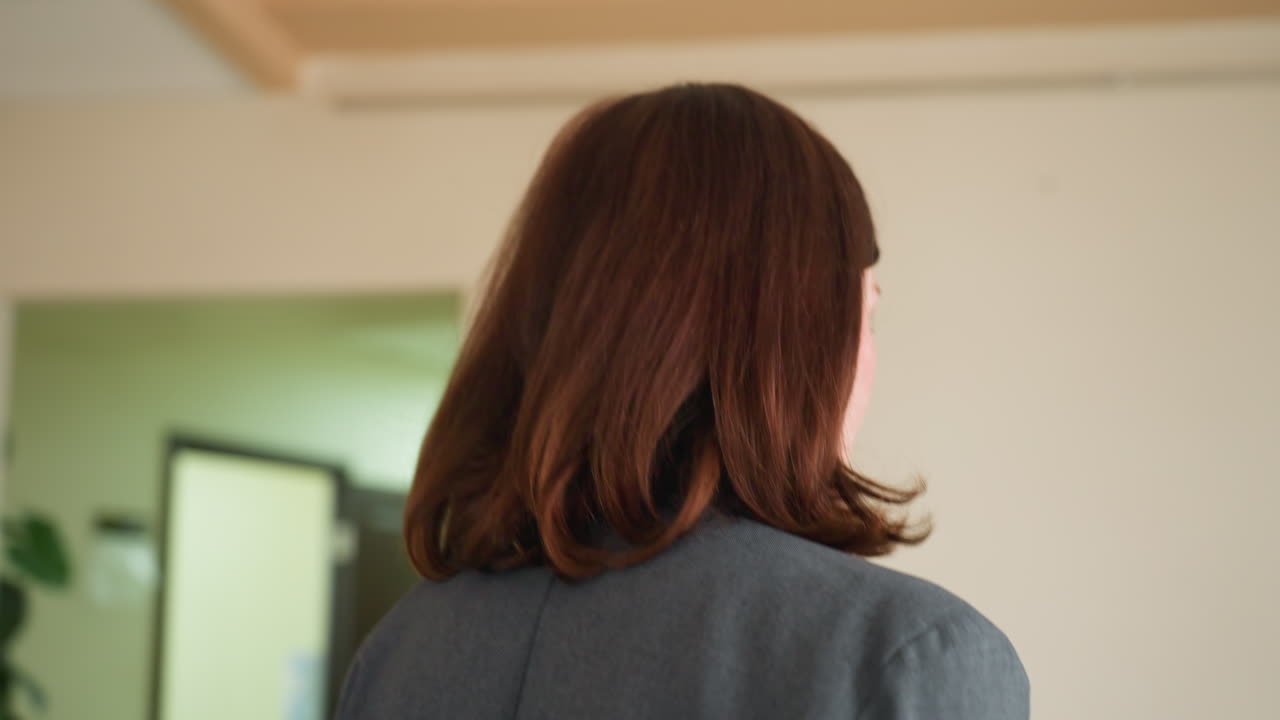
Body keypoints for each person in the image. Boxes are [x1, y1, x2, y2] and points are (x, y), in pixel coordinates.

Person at [336, 83, 1029, 719]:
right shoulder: (906, 657)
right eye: (866, 315)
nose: (867, 358)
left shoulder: (401, 652)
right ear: (797, 339)